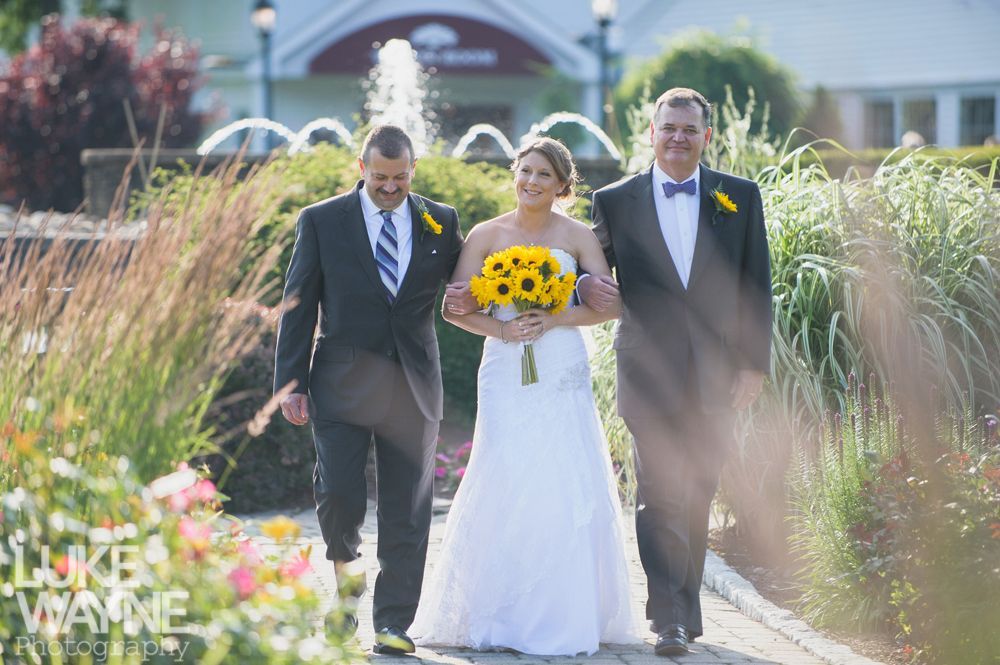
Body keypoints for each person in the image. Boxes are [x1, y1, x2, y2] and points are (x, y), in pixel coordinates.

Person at [411, 137, 638, 655]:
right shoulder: (487, 234)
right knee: (506, 469)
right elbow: (454, 307)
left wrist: (554, 316)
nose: (532, 182)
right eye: (526, 171)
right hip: (505, 367)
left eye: (544, 175)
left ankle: (561, 612)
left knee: (562, 472)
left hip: (560, 365)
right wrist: (501, 329)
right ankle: (498, 613)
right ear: (515, 173)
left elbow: (611, 305)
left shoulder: (579, 235)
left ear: (562, 185)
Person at [579, 87, 772, 656]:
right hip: (647, 372)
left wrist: (753, 366)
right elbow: (592, 267)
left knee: (698, 493)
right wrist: (580, 283)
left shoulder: (739, 196)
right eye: (670, 128)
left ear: (706, 136)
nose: (679, 138)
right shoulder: (614, 200)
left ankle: (685, 610)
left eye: (690, 129)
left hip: (717, 376)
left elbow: (754, 286)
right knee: (659, 494)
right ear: (652, 132)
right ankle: (669, 619)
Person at [273, 124, 463, 655]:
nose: (390, 187)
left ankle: (393, 624)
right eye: (380, 177)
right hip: (340, 383)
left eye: (400, 178)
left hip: (414, 386)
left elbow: (467, 286)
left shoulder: (441, 221)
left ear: (413, 170)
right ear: (362, 168)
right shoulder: (322, 220)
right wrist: (290, 383)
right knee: (338, 496)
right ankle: (344, 596)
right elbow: (298, 304)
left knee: (407, 509)